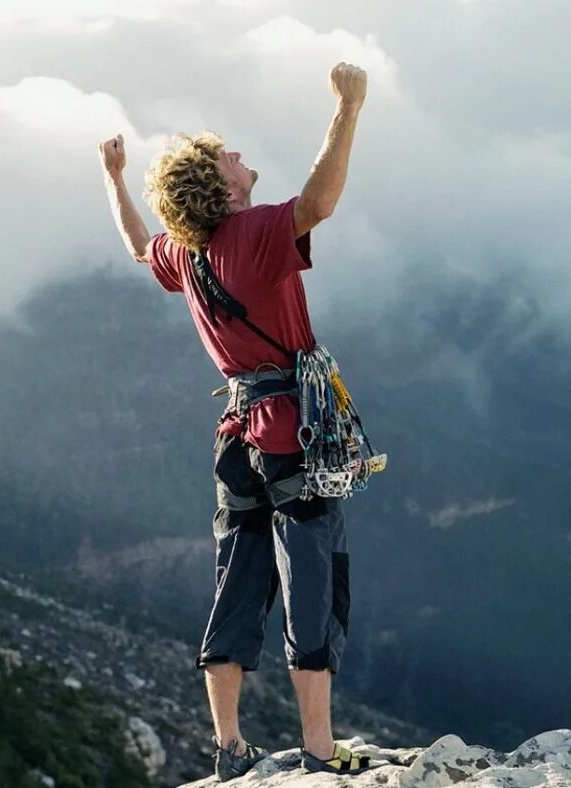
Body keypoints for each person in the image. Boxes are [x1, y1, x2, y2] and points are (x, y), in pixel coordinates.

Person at [98, 62, 378, 782]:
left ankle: (228, 747)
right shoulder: (251, 233)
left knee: (239, 580)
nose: (240, 155)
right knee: (311, 580)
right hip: (290, 431)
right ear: (222, 188)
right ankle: (320, 752)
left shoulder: (188, 252)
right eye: (229, 155)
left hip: (236, 436)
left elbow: (137, 244)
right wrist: (348, 109)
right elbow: (317, 203)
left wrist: (114, 177)